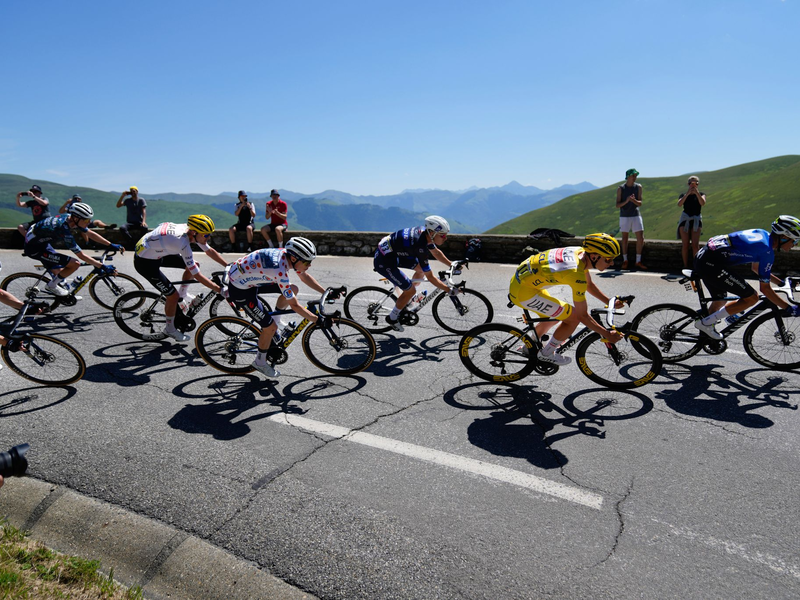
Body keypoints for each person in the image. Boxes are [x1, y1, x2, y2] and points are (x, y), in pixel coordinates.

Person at [224, 237, 335, 377]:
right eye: (307, 262)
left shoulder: (286, 254)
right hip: (241, 290)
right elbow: (294, 305)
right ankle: (260, 362)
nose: (310, 265)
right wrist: (317, 320)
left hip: (248, 277)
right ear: (294, 259)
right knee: (269, 328)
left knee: (292, 289)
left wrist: (325, 292)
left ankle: (274, 326)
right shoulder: (279, 271)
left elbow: (304, 276)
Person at [508, 233, 625, 366]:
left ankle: (529, 346)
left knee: (555, 316)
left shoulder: (579, 252)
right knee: (573, 317)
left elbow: (589, 285)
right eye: (608, 259)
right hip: (524, 292)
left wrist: (609, 301)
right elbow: (582, 316)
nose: (612, 263)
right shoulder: (575, 273)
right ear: (594, 256)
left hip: (523, 283)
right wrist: (606, 334)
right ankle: (546, 354)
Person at [692, 215, 800, 340]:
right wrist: (788, 308)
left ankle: (705, 335)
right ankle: (705, 323)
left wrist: (781, 283)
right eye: (795, 241)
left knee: (720, 301)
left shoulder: (763, 235)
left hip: (704, 257)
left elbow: (756, 268)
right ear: (784, 237)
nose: (794, 245)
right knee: (751, 298)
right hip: (711, 264)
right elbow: (765, 289)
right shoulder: (766, 251)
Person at [133, 215, 227, 342]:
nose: (208, 237)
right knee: (172, 296)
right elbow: (197, 275)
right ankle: (170, 329)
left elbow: (209, 251)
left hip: (156, 250)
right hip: (145, 262)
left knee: (194, 265)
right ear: (194, 232)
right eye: (206, 235)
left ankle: (182, 296)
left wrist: (228, 266)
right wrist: (218, 289)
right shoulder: (182, 243)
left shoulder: (187, 230)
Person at [373, 215, 456, 332]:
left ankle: (406, 298)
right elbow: (431, 277)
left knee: (420, 270)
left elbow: (436, 253)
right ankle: (392, 318)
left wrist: (451, 264)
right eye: (442, 235)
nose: (445, 238)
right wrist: (449, 290)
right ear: (432, 232)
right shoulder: (420, 245)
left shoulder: (425, 234)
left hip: (393, 254)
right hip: (384, 261)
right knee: (411, 290)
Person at [23, 203, 122, 296]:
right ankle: (51, 286)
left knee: (61, 272)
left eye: (89, 220)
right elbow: (81, 255)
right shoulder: (64, 230)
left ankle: (61, 290)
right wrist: (101, 266)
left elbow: (89, 233)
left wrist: (110, 244)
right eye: (86, 220)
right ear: (76, 218)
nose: (88, 223)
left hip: (40, 242)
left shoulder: (70, 219)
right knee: (75, 264)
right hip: (34, 249)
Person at [615, 168, 646, 270]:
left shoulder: (638, 187)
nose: (635, 177)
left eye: (635, 175)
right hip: (624, 216)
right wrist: (627, 201)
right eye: (633, 176)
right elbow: (618, 205)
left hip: (636, 214)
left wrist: (633, 201)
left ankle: (638, 261)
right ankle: (625, 260)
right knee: (625, 238)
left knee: (640, 238)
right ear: (628, 177)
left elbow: (640, 203)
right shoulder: (621, 188)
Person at [677, 176, 706, 269]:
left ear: (698, 184)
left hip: (696, 220)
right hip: (685, 220)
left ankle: (696, 266)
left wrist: (696, 193)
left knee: (695, 245)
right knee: (685, 244)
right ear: (688, 184)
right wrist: (688, 193)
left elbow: (702, 203)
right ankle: (685, 265)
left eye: (695, 183)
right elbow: (679, 204)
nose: (693, 185)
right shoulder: (683, 195)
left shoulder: (701, 194)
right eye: (691, 183)